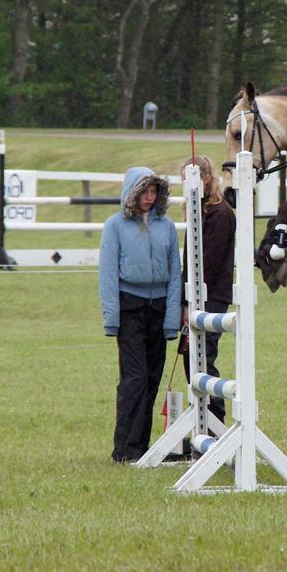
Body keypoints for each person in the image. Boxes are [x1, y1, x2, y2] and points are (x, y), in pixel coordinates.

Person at [99, 166, 181, 464]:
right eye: (144, 191)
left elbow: (175, 275)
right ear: (132, 192)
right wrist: (112, 318)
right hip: (129, 307)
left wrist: (172, 320)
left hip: (158, 309)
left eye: (154, 191)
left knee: (151, 378)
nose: (150, 197)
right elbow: (107, 274)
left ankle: (142, 447)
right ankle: (125, 449)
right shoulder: (115, 226)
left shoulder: (167, 227)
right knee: (133, 379)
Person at [180, 155, 235, 426]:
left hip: (212, 297)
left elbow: (208, 263)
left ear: (205, 178)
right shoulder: (198, 209)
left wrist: (191, 303)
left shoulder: (219, 212)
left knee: (204, 358)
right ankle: (204, 423)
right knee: (191, 360)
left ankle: (216, 421)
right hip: (195, 296)